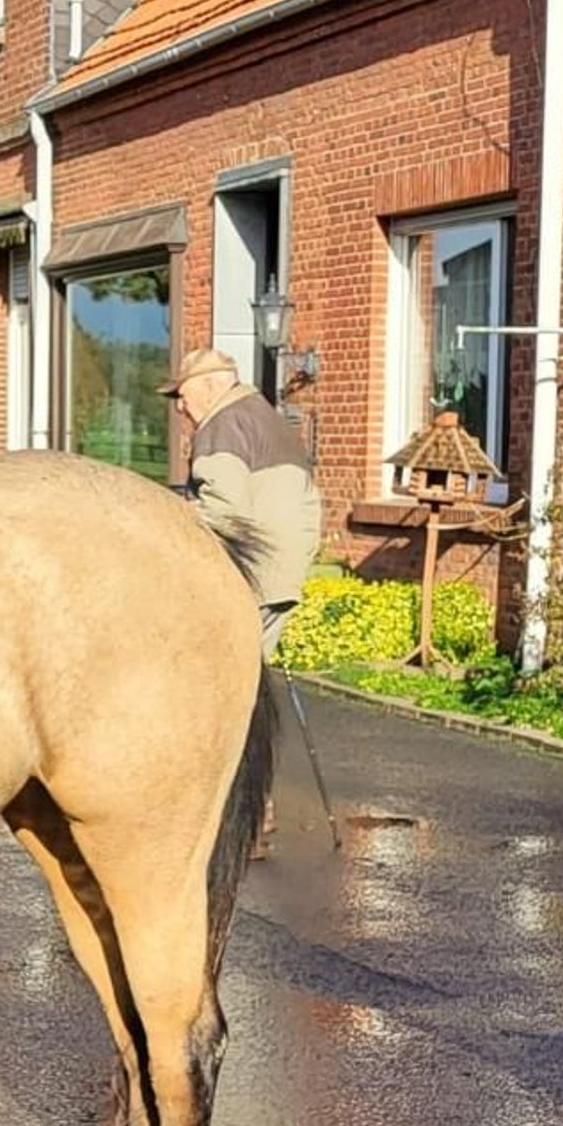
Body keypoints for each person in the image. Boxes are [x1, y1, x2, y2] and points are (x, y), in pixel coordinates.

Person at [162, 346, 324, 852]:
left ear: (209, 385)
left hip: (249, 578)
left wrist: (167, 516)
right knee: (242, 691)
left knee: (221, 697)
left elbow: (222, 512)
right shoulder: (263, 419)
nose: (180, 409)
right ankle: (255, 813)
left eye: (182, 396)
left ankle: (246, 816)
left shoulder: (223, 425)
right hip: (279, 572)